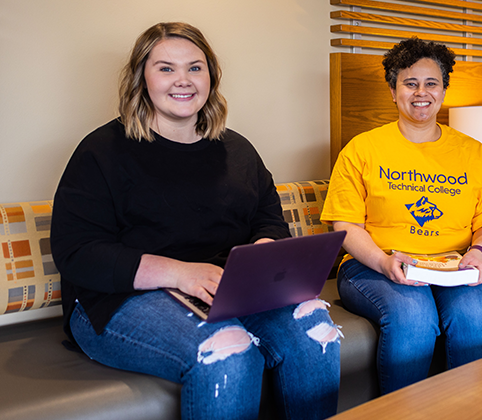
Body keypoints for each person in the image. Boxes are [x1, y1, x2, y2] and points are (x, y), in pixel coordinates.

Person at [50, 22, 339, 420]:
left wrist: (264, 253)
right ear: (142, 78)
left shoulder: (237, 150)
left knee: (316, 332)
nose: (182, 80)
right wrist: (179, 273)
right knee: (229, 351)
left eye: (195, 68)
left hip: (224, 290)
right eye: (166, 68)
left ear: (211, 76)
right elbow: (77, 252)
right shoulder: (101, 151)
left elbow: (268, 218)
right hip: (118, 299)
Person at [321, 37, 482, 394]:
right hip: (375, 264)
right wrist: (382, 261)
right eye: (410, 83)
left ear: (443, 89)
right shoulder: (362, 149)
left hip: (454, 266)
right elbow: (344, 225)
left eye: (431, 83)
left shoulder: (473, 152)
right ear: (393, 91)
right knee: (414, 318)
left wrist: (478, 253)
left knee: (475, 320)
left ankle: (474, 411)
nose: (421, 92)